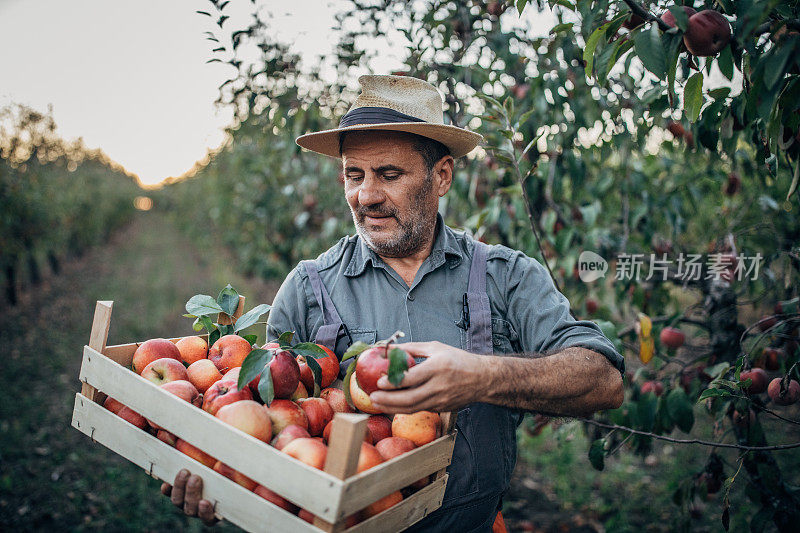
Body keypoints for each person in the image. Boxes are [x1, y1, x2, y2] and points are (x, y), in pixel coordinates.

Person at [163, 74, 625, 531]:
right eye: (354, 175)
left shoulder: (506, 277)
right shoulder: (308, 289)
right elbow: (268, 432)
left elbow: (603, 381)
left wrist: (482, 376)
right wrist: (223, 482)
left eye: (389, 174)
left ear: (441, 176)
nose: (366, 196)